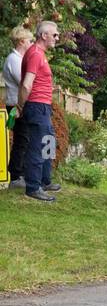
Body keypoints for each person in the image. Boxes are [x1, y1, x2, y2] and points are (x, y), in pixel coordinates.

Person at [16, 20, 62, 203]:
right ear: (44, 35)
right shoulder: (35, 54)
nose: (57, 38)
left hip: (42, 106)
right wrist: (21, 106)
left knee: (48, 142)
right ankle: (33, 188)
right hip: (36, 106)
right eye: (55, 34)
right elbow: (26, 84)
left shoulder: (39, 54)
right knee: (38, 145)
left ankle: (45, 180)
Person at [5, 26, 33, 187]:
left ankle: (20, 173)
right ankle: (16, 176)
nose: (32, 43)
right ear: (21, 41)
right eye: (30, 40)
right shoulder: (14, 60)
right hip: (17, 105)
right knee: (22, 140)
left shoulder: (19, 59)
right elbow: (23, 83)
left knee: (24, 139)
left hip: (20, 104)